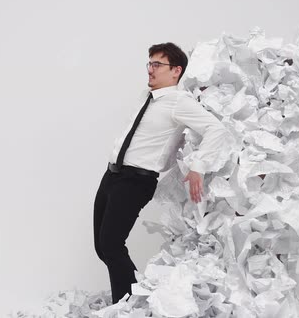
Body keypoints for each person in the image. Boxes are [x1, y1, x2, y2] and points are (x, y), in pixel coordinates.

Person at [92, 42, 229, 303]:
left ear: (176, 71)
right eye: (149, 63)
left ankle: (129, 306)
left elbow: (216, 129)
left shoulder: (179, 102)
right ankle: (136, 300)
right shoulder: (147, 97)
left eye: (157, 64)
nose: (150, 69)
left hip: (135, 181)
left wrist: (199, 166)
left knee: (111, 245)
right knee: (103, 247)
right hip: (112, 175)